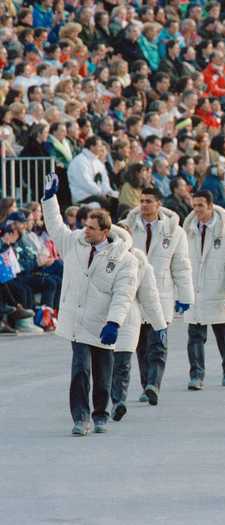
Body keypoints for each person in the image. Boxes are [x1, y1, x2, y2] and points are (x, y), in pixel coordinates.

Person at [41, 173, 138, 436]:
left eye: (92, 228)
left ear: (105, 231)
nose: (86, 230)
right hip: (77, 322)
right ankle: (81, 417)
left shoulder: (125, 260)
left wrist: (115, 322)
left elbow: (123, 294)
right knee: (80, 370)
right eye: (85, 225)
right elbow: (56, 226)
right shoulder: (74, 243)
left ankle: (100, 414)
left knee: (102, 373)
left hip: (104, 323)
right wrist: (50, 199)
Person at [123, 187, 194, 404]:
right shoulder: (126, 228)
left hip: (161, 294)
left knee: (158, 343)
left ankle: (154, 384)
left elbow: (181, 265)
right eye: (141, 200)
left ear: (158, 204)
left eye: (149, 201)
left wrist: (186, 296)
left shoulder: (174, 231)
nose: (144, 205)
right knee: (141, 345)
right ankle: (147, 385)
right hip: (134, 293)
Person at [183, 190, 225, 390]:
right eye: (194, 206)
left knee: (224, 333)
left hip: (219, 291)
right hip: (195, 291)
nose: (197, 210)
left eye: (201, 206)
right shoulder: (188, 230)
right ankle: (196, 375)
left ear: (210, 206)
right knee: (195, 335)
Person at [110, 224, 167, 422]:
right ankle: (111, 399)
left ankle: (118, 401)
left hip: (129, 318)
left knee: (122, 362)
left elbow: (150, 297)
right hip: (100, 318)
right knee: (107, 364)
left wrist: (160, 325)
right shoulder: (99, 258)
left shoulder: (139, 262)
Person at [66, 136, 118, 210]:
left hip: (97, 195)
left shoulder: (98, 162)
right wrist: (101, 193)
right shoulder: (79, 161)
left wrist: (109, 192)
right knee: (105, 203)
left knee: (116, 200)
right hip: (82, 196)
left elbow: (104, 181)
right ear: (92, 147)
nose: (101, 148)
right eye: (99, 146)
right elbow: (85, 182)